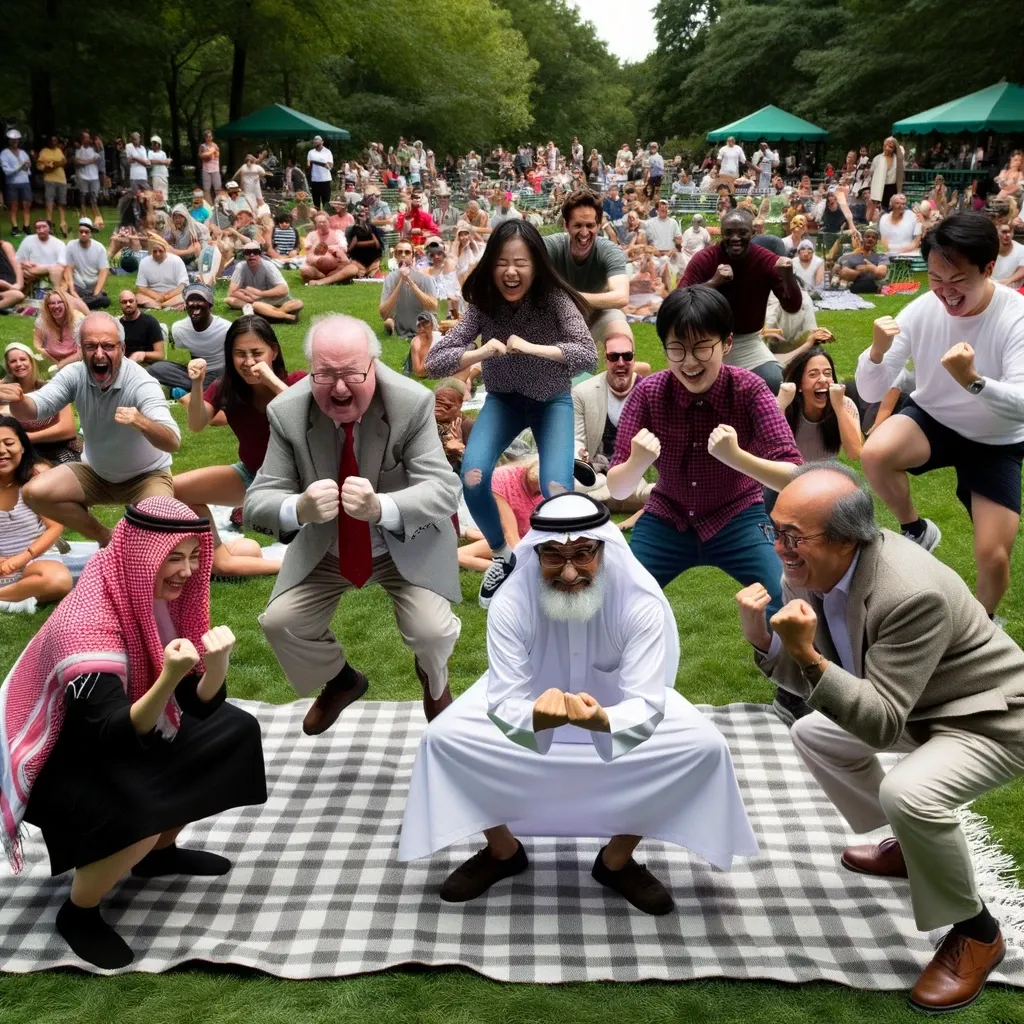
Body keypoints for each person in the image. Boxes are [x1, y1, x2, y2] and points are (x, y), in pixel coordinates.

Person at [736, 464, 1024, 1013]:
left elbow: (880, 721)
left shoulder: (912, 592)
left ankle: (978, 933)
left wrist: (803, 653)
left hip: (990, 717)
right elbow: (837, 683)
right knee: (815, 734)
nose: (780, 548)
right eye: (774, 530)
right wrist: (767, 645)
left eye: (793, 536)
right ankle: (916, 852)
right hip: (919, 706)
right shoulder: (810, 571)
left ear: (848, 540)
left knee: (909, 793)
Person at [400, 492, 758, 910]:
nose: (569, 572)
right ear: (535, 555)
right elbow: (503, 697)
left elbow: (646, 699)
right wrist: (535, 714)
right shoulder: (512, 602)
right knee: (442, 740)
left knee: (705, 748)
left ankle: (616, 860)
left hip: (616, 716)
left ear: (604, 549)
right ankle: (502, 850)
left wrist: (605, 720)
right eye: (552, 556)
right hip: (530, 713)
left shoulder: (638, 602)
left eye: (583, 554)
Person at [0, 496, 266, 968]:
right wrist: (167, 676)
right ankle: (79, 912)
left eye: (193, 557)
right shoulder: (87, 623)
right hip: (57, 752)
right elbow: (110, 732)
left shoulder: (153, 595)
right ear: (142, 554)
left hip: (119, 729)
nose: (186, 571)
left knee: (233, 732)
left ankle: (158, 856)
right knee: (140, 806)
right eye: (173, 557)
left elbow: (193, 706)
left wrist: (216, 665)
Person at [245, 314, 462, 730]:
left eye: (351, 374)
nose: (340, 387)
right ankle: (341, 681)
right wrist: (299, 508)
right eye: (325, 375)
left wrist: (382, 507)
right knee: (281, 623)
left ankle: (435, 682)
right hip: (330, 546)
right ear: (309, 372)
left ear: (374, 367)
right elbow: (259, 499)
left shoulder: (411, 402)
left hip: (408, 543)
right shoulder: (287, 412)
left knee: (431, 633)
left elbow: (442, 488)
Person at [605, 286, 806, 724]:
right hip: (667, 516)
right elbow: (617, 488)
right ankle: (617, 689)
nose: (689, 362)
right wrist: (638, 462)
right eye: (676, 349)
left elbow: (795, 474)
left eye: (701, 348)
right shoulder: (649, 393)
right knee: (615, 595)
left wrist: (738, 459)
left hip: (738, 512)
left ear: (727, 343)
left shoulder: (749, 389)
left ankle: (795, 688)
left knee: (786, 591)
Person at [856, 212, 1024, 618]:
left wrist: (974, 382)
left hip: (996, 439)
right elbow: (871, 391)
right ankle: (917, 529)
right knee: (875, 453)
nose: (945, 293)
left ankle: (982, 629)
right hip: (935, 419)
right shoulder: (920, 310)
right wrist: (876, 352)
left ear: (987, 269)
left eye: (957, 280)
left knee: (994, 556)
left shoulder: (1014, 315)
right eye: (936, 279)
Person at [426, 220, 597, 608]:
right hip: (503, 401)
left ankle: (553, 562)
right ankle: (504, 556)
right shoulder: (483, 304)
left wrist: (535, 347)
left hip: (552, 400)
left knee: (556, 491)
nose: (511, 272)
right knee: (472, 475)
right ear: (491, 265)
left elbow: (587, 354)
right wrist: (480, 353)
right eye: (502, 262)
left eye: (521, 262)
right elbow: (435, 361)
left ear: (536, 265)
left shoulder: (554, 300)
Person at [6, 311, 180, 546]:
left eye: (108, 346)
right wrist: (18, 400)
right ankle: (104, 537)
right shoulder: (75, 374)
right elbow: (37, 408)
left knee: (156, 538)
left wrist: (142, 421)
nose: (99, 354)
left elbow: (172, 442)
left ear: (122, 348)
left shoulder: (141, 382)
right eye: (91, 346)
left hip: (147, 476)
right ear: (80, 349)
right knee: (34, 493)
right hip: (96, 474)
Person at [175, 315, 305, 578]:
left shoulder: (298, 381)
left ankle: (286, 534)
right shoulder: (226, 388)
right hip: (252, 475)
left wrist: (270, 381)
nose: (248, 362)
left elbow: (304, 418)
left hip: (302, 482)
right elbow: (198, 424)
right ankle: (220, 559)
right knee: (172, 489)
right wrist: (198, 384)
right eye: (240, 354)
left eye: (257, 353)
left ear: (274, 351)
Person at [680, 208, 801, 394]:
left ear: (753, 233)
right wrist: (714, 282)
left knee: (775, 382)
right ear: (721, 233)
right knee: (698, 390)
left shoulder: (765, 260)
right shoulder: (705, 259)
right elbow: (678, 301)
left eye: (742, 232)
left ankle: (764, 422)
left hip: (747, 342)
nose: (735, 238)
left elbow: (792, 306)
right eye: (729, 233)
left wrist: (788, 276)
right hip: (705, 339)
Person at [573, 325, 654, 519]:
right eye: (613, 356)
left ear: (634, 358)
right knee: (559, 480)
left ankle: (597, 501)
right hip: (596, 477)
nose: (620, 362)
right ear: (605, 359)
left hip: (635, 479)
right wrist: (579, 455)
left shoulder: (652, 392)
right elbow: (577, 440)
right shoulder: (582, 393)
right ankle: (602, 498)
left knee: (668, 491)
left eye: (627, 356)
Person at [0, 415, 73, 613]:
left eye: (8, 443)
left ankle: (5, 595)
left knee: (59, 580)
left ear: (22, 446)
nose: (1, 451)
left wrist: (23, 558)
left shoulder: (35, 478)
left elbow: (55, 526)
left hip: (34, 559)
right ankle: (16, 594)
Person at [543, 190, 629, 346]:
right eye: (578, 225)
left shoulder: (609, 250)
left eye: (590, 225)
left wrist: (570, 297)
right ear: (566, 225)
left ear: (598, 225)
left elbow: (621, 296)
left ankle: (622, 365)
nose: (584, 233)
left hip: (593, 318)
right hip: (553, 322)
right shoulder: (550, 246)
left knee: (618, 320)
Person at [776, 346, 863, 464]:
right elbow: (770, 450)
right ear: (799, 384)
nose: (823, 379)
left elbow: (855, 453)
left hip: (824, 475)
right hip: (789, 474)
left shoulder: (844, 404)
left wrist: (839, 408)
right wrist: (780, 405)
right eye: (813, 374)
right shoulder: (785, 405)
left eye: (828, 374)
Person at [456, 458, 545, 571]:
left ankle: (511, 568)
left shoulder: (552, 489)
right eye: (534, 487)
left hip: (520, 538)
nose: (537, 492)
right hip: (497, 532)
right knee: (459, 555)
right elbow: (511, 535)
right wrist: (524, 566)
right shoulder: (502, 481)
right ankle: (507, 570)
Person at [1, 344, 81, 465]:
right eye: (13, 361)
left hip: (59, 449)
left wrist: (25, 437)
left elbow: (68, 430)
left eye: (23, 359)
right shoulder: (5, 394)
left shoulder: (51, 388)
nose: (18, 364)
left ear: (32, 362)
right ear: (8, 367)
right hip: (24, 451)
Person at [227, 241, 303, 323]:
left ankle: (268, 312)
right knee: (229, 300)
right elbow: (232, 291)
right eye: (248, 252)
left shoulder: (268, 266)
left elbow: (284, 290)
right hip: (252, 300)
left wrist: (260, 294)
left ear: (260, 254)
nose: (252, 255)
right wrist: (249, 298)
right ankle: (283, 315)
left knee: (298, 303)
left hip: (272, 299)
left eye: (255, 252)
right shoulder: (240, 267)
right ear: (244, 255)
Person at [378, 239, 439, 338]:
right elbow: (383, 314)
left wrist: (410, 282)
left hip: (424, 322)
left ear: (412, 256)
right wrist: (401, 280)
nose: (403, 255)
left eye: (407, 252)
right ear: (395, 256)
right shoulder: (390, 278)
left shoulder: (425, 277)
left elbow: (433, 306)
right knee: (388, 322)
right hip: (401, 322)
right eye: (400, 252)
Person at [63, 218, 110, 310]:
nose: (83, 234)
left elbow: (103, 272)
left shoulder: (99, 248)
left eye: (86, 232)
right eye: (81, 231)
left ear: (91, 233)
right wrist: (72, 290)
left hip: (94, 287)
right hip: (78, 286)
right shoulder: (71, 246)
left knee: (104, 300)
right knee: (67, 296)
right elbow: (69, 269)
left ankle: (79, 303)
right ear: (78, 232)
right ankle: (82, 302)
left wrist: (96, 293)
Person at [33, 288, 84, 368]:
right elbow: (37, 344)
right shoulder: (42, 320)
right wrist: (54, 362)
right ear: (47, 307)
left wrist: (62, 364)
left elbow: (82, 352)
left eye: (60, 302)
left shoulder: (78, 320)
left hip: (76, 363)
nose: (56, 306)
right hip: (51, 360)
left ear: (66, 304)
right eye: (52, 303)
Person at [135, 234, 188, 311]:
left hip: (173, 295)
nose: (158, 254)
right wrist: (156, 296)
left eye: (160, 251)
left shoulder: (176, 260)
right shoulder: (144, 262)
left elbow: (183, 286)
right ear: (151, 251)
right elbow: (141, 287)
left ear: (165, 250)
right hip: (152, 297)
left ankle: (159, 306)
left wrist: (166, 297)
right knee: (138, 297)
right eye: (155, 251)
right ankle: (165, 306)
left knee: (187, 295)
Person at [835, 225, 889, 293]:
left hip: (873, 289)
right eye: (867, 236)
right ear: (862, 238)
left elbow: (882, 273)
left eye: (873, 237)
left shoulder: (881, 257)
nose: (870, 239)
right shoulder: (845, 257)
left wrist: (868, 268)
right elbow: (840, 274)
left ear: (876, 242)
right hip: (851, 290)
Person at [16, 218, 67, 291]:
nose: (41, 230)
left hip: (52, 275)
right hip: (31, 274)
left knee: (57, 271)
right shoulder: (28, 240)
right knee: (23, 272)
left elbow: (62, 265)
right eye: (38, 227)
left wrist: (40, 270)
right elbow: (18, 261)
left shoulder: (59, 244)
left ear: (50, 228)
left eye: (44, 227)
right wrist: (25, 264)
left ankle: (56, 292)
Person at [118, 290, 165, 367]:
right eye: (124, 302)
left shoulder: (150, 322)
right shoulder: (118, 325)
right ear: (120, 305)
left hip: (149, 366)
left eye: (131, 301)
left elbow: (160, 355)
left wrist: (143, 354)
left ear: (136, 302)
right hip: (126, 366)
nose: (128, 304)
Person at [2, 130, 33, 237]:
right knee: (13, 206)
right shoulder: (4, 153)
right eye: (13, 140)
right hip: (12, 183)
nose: (15, 141)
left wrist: (27, 167)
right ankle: (15, 228)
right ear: (9, 141)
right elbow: (7, 172)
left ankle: (26, 226)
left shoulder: (23, 153)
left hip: (25, 182)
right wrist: (21, 166)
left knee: (27, 205)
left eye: (17, 139)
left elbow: (28, 172)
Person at [37, 136, 69, 237]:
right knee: (49, 202)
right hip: (49, 180)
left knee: (62, 203)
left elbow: (64, 161)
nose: (54, 142)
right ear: (48, 142)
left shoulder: (59, 150)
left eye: (55, 140)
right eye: (52, 140)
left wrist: (53, 164)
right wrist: (51, 166)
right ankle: (49, 224)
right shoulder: (44, 151)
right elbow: (40, 166)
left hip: (61, 180)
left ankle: (63, 223)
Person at [868, 137, 904, 221]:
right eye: (885, 146)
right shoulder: (877, 159)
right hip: (880, 187)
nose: (887, 148)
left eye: (890, 146)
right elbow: (872, 174)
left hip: (893, 187)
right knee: (882, 211)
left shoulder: (898, 159)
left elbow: (901, 174)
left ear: (894, 148)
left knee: (893, 209)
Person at [344, 205, 383, 278]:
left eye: (363, 213)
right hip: (358, 262)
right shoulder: (351, 229)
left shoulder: (372, 228)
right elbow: (351, 248)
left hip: (373, 261)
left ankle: (371, 272)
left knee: (374, 272)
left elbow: (378, 246)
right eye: (359, 215)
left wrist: (370, 232)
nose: (362, 217)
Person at [73, 131, 102, 228]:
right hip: (83, 177)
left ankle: (97, 220)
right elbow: (77, 162)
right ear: (82, 139)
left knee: (94, 198)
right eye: (86, 138)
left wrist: (84, 161)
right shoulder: (78, 150)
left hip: (94, 177)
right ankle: (84, 218)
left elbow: (98, 158)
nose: (88, 139)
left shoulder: (93, 149)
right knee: (83, 197)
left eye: (89, 138)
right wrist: (90, 161)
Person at [164, 204, 204, 270]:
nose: (178, 220)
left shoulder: (196, 228)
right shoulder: (169, 231)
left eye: (180, 217)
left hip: (194, 261)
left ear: (185, 217)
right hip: (177, 261)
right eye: (175, 217)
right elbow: (168, 250)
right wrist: (189, 251)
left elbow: (200, 248)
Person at [306, 136, 334, 210]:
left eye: (317, 140)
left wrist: (317, 162)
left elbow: (330, 165)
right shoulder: (311, 152)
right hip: (315, 180)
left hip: (326, 180)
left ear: (322, 142)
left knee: (326, 202)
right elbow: (308, 165)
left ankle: (326, 218)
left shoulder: (327, 152)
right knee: (316, 202)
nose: (315, 141)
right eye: (314, 140)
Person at [993, 221, 1024, 287]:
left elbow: (1023, 268)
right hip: (991, 286)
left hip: (1012, 289)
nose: (1008, 235)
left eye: (1010, 232)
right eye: (1004, 232)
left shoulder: (1021, 249)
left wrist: (1008, 280)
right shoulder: (988, 247)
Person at [0, 232, 24, 313]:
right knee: (17, 295)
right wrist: (8, 286)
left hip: (9, 285)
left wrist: (19, 284)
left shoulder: (5, 245)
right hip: (6, 285)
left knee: (17, 295)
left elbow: (17, 266)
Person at [198, 131, 221, 200]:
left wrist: (213, 151)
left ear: (212, 137)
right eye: (207, 137)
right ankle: (209, 206)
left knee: (218, 188)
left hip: (215, 169)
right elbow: (203, 156)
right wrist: (212, 151)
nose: (209, 138)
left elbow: (217, 155)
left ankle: (218, 204)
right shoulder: (202, 146)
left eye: (210, 136)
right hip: (206, 170)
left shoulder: (215, 145)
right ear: (205, 138)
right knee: (206, 189)